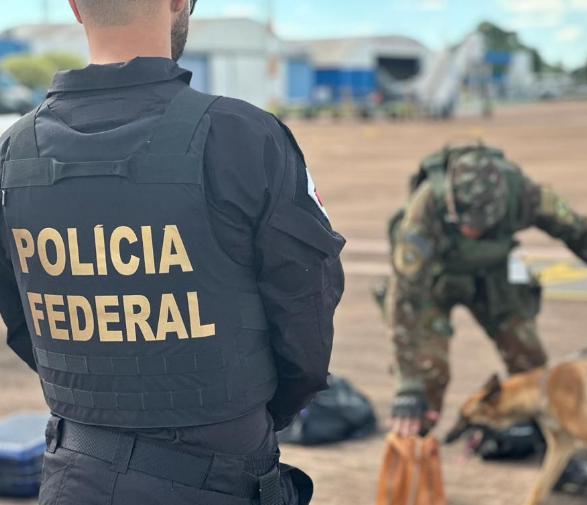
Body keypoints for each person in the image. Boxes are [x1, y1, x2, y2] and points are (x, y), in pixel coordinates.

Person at [0, 1, 345, 504]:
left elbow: (25, 321)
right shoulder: (244, 137)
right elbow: (307, 316)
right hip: (219, 476)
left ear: (74, 6)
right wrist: (242, 417)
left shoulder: (12, 156)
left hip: (74, 476)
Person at [385, 144, 587, 482]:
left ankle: (558, 459)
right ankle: (413, 464)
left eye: (481, 227)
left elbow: (582, 233)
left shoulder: (526, 195)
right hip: (435, 281)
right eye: (464, 224)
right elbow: (405, 298)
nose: (471, 232)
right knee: (427, 375)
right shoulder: (425, 208)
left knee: (533, 366)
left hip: (493, 278)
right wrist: (408, 384)